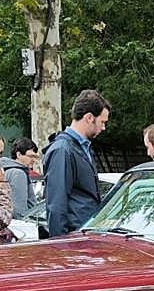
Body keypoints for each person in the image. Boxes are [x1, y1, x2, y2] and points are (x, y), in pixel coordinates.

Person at [43, 89, 110, 236]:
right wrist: (60, 247)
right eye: (102, 122)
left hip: (84, 235)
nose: (104, 128)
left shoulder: (82, 147)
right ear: (89, 118)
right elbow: (56, 204)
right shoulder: (62, 150)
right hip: (72, 240)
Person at [1, 137, 39, 218]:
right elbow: (19, 210)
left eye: (35, 157)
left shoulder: (6, 169)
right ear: (18, 154)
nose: (33, 160)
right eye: (31, 156)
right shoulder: (19, 173)